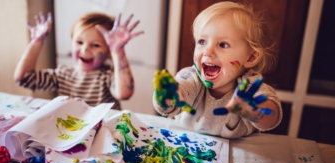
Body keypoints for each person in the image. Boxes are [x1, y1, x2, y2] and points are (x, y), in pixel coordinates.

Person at [153, 1, 282, 139]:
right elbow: (170, 104)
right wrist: (167, 98)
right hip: (184, 146)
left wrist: (255, 110)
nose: (208, 51)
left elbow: (271, 119)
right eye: (202, 42)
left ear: (250, 57)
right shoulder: (191, 77)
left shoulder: (250, 88)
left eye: (223, 44)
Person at [14, 12, 143, 110]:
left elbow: (125, 93)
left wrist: (118, 50)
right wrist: (37, 41)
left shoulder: (107, 76)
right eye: (79, 42)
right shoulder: (63, 75)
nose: (85, 49)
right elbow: (23, 78)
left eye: (96, 45)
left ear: (109, 51)